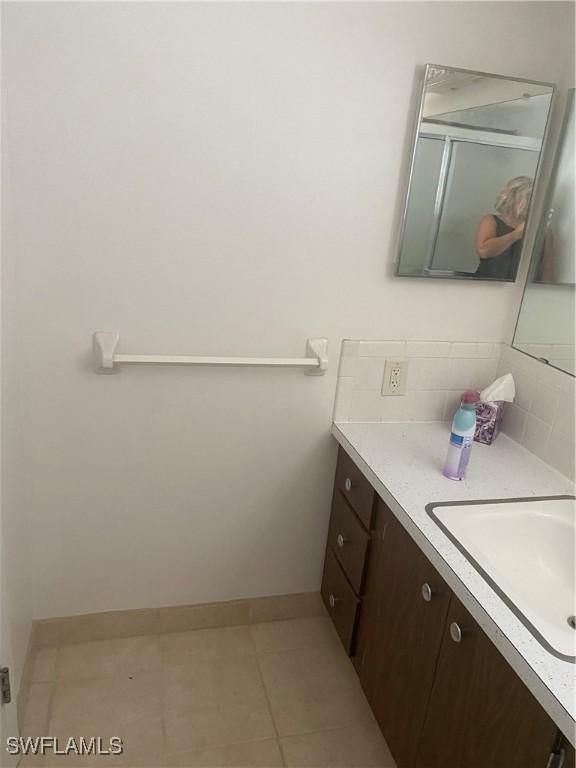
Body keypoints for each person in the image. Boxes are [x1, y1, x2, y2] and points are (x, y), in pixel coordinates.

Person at [474, 176, 533, 280]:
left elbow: (547, 270)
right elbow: (483, 251)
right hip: (484, 287)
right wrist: (515, 235)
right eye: (527, 198)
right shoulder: (491, 220)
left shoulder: (543, 231)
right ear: (512, 197)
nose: (529, 204)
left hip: (521, 291)